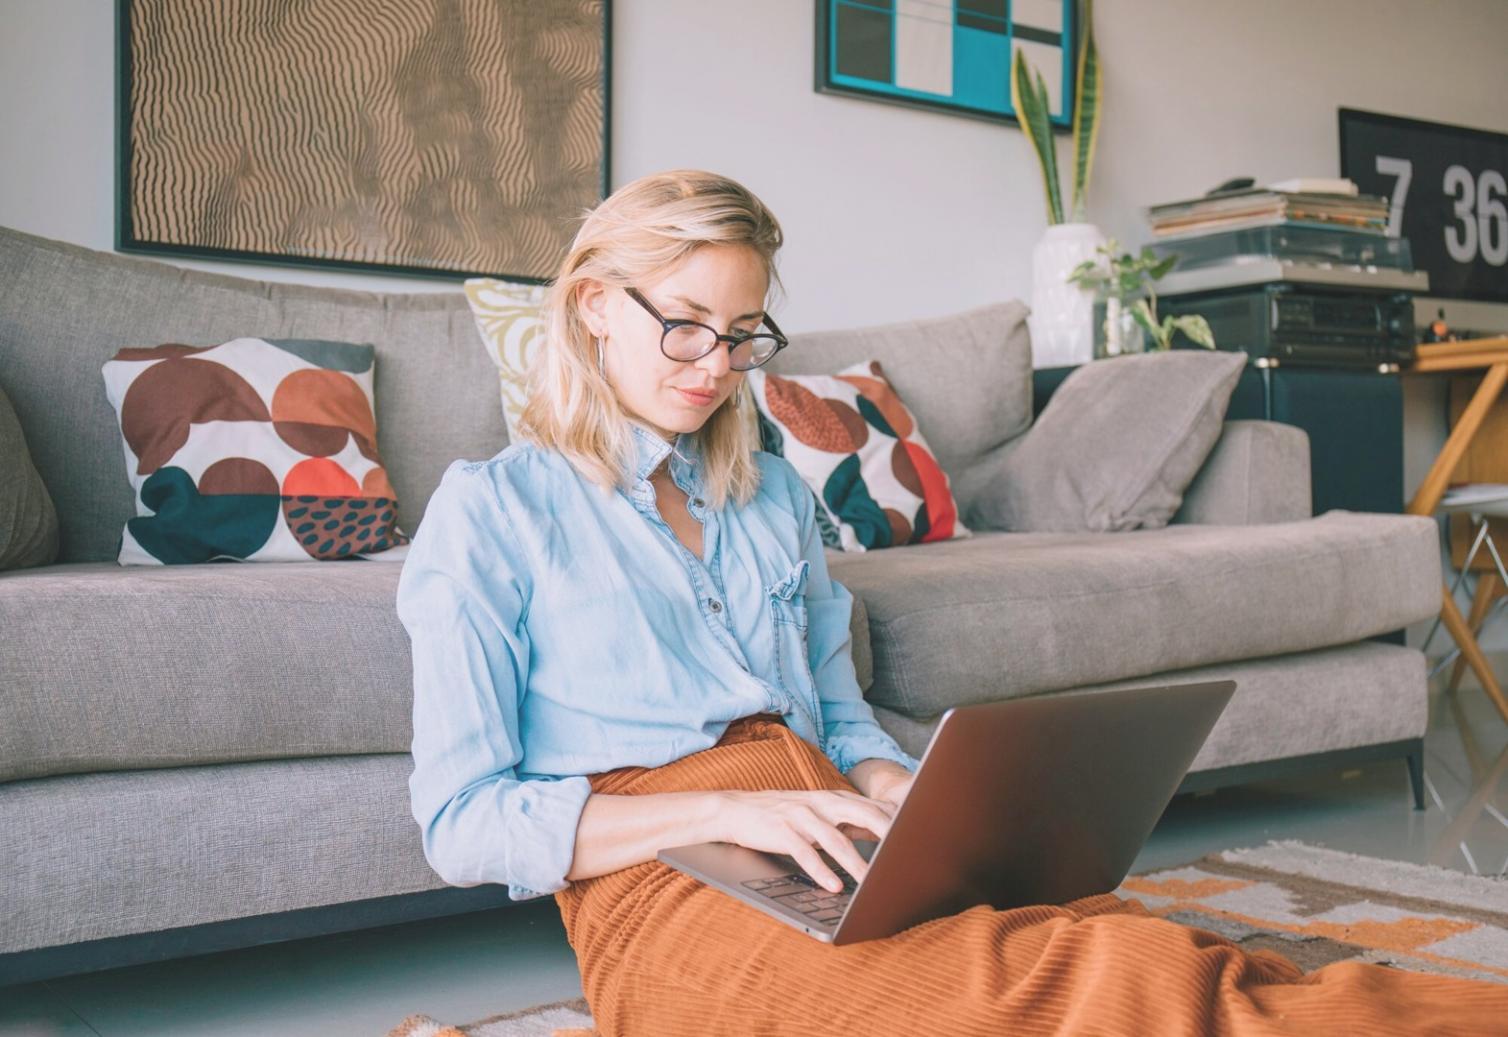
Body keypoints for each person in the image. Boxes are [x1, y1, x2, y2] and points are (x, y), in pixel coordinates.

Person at [398, 170, 1507, 1035]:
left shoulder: (770, 492)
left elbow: (832, 717)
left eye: (741, 336)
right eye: (685, 324)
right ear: (593, 305)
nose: (715, 365)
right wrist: (725, 811)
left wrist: (910, 794)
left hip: (837, 836)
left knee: (1159, 961)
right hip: (664, 890)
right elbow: (462, 821)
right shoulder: (491, 514)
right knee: (1097, 994)